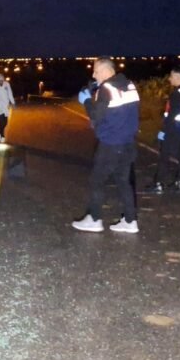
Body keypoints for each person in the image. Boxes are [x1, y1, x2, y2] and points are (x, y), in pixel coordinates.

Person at [72, 58, 141, 234]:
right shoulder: (129, 85)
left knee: (96, 180)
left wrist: (87, 101)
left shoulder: (106, 89)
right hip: (128, 143)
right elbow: (116, 108)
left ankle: (94, 219)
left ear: (104, 71)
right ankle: (130, 221)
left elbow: (96, 115)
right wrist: (96, 90)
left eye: (96, 71)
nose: (93, 74)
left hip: (111, 144)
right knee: (123, 181)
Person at [143, 67, 180, 194]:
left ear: (178, 77)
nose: (169, 79)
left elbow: (172, 114)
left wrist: (164, 131)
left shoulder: (176, 93)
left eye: (171, 76)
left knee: (164, 156)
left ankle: (159, 184)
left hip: (173, 129)